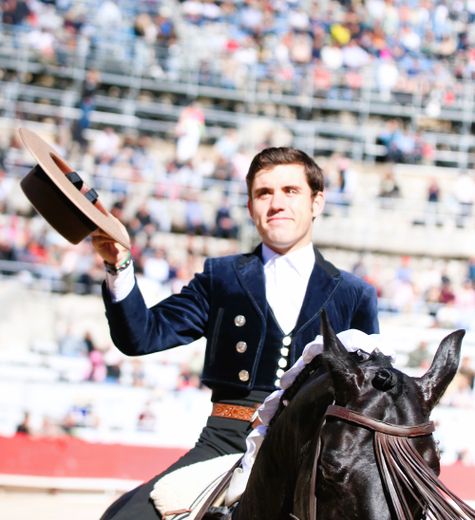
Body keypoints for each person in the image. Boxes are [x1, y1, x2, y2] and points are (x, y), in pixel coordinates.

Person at [91, 147, 379, 519]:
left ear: (316, 202)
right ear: (249, 206)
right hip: (223, 445)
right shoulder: (221, 277)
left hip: (314, 457)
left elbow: (369, 396)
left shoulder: (354, 294)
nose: (276, 203)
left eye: (290, 191)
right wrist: (120, 264)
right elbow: (142, 335)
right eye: (264, 193)